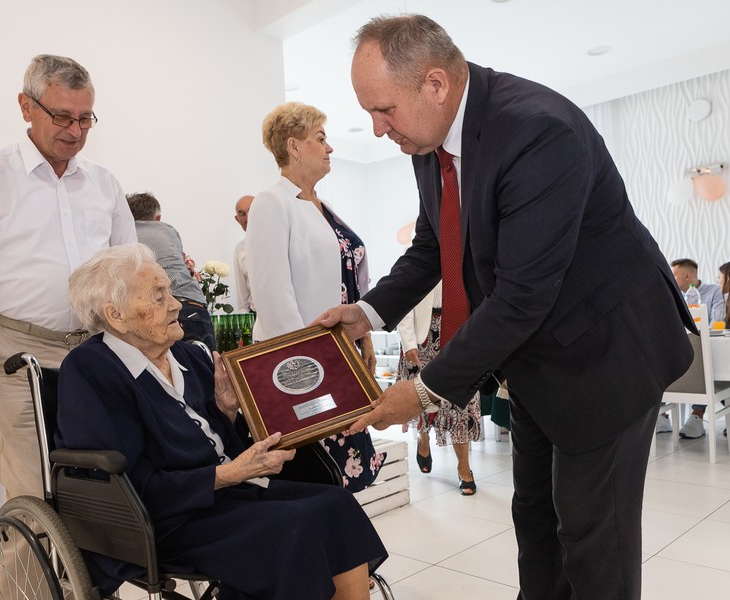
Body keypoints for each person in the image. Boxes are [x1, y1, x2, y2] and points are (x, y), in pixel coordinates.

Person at [315, 15, 695, 600]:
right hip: (538, 363)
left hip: (607, 356)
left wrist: (419, 392)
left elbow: (523, 293)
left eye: (384, 109)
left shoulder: (539, 130)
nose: (376, 127)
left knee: (594, 538)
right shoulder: (429, 141)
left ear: (436, 84)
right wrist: (365, 312)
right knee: (537, 523)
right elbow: (432, 246)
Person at [56, 244, 387, 599]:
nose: (176, 304)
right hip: (170, 517)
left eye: (169, 290)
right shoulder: (92, 370)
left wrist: (227, 411)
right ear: (115, 315)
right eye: (158, 296)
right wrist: (231, 474)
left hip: (230, 494)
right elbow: (132, 483)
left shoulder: (187, 355)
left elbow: (217, 442)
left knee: (336, 504)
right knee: (294, 528)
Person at [0, 54, 136, 499]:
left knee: (98, 490)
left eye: (85, 119)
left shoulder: (103, 184)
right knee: (34, 490)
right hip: (15, 351)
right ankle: (26, 568)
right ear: (26, 106)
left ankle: (81, 571)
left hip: (93, 352)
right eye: (62, 116)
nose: (75, 131)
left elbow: (128, 273)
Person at [246, 101, 385, 493]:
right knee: (318, 480)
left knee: (339, 482)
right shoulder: (271, 203)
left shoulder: (321, 206)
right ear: (293, 146)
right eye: (320, 139)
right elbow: (274, 298)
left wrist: (364, 336)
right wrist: (307, 372)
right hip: (306, 366)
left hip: (338, 351)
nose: (330, 148)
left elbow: (346, 281)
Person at [396, 283, 481, 494]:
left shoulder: (466, 254)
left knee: (461, 400)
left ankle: (464, 468)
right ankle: (423, 437)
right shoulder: (421, 252)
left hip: (460, 331)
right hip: (423, 337)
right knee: (422, 398)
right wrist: (408, 343)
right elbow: (403, 302)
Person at [127, 191, 216, 350]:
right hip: (191, 303)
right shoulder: (167, 230)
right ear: (158, 218)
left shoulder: (125, 235)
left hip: (156, 312)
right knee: (207, 367)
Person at [667, 258, 726, 438]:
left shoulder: (713, 291)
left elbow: (718, 321)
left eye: (674, 274)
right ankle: (661, 415)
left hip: (705, 353)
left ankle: (697, 416)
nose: (670, 277)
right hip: (680, 353)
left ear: (687, 276)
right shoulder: (672, 295)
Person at [233, 194, 256, 313]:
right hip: (256, 315)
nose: (247, 218)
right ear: (237, 219)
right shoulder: (239, 249)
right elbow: (242, 296)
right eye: (242, 214)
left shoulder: (280, 239)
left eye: (251, 210)